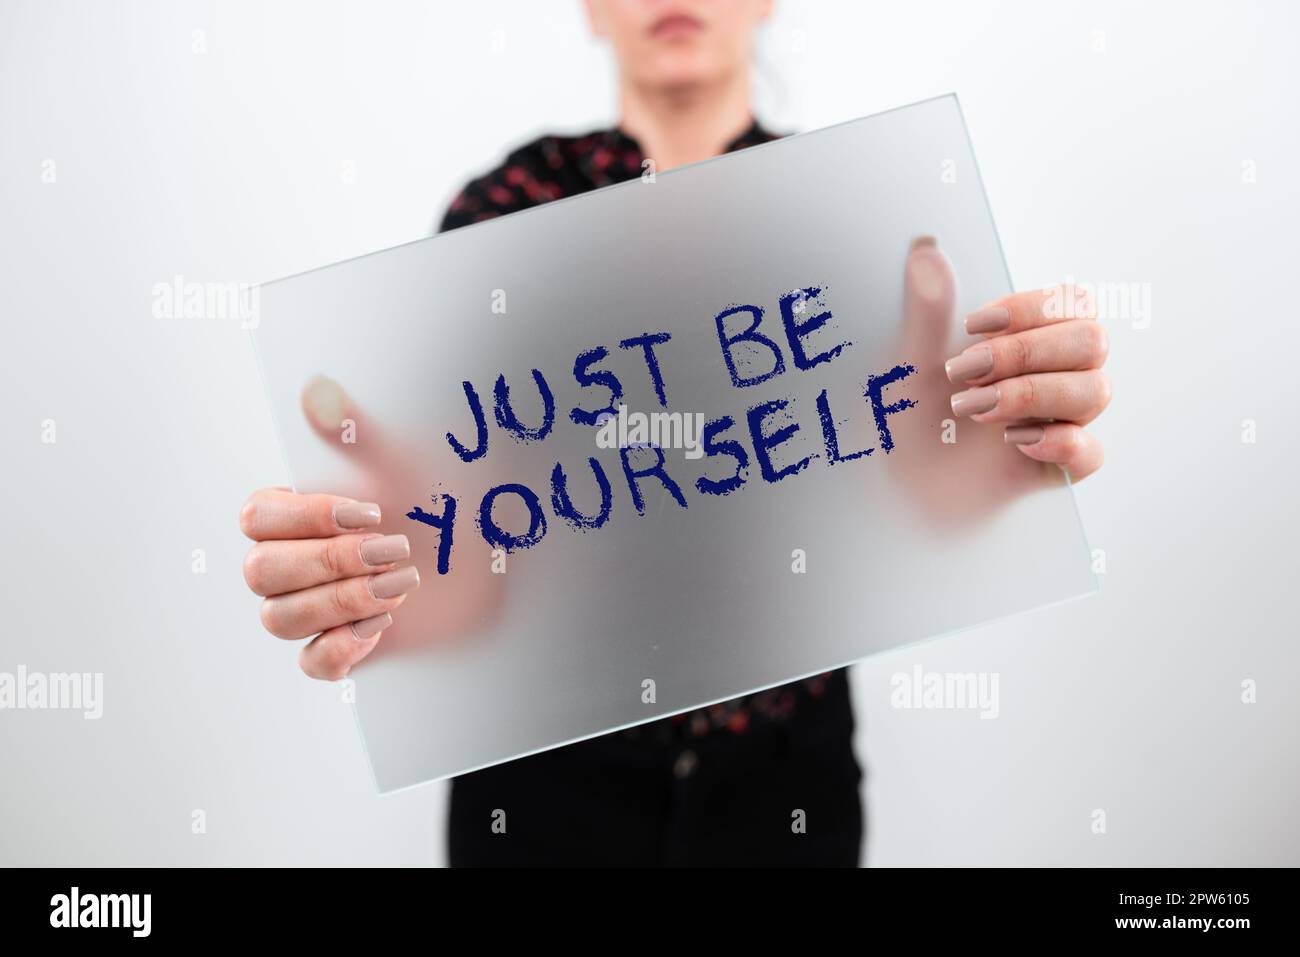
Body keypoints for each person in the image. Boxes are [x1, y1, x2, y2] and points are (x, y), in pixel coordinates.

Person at [239, 0, 1111, 866]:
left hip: (786, 792)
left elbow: (904, 487)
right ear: (589, 10)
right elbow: (465, 530)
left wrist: (994, 467)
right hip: (541, 798)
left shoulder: (849, 214)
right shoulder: (501, 218)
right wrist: (392, 577)